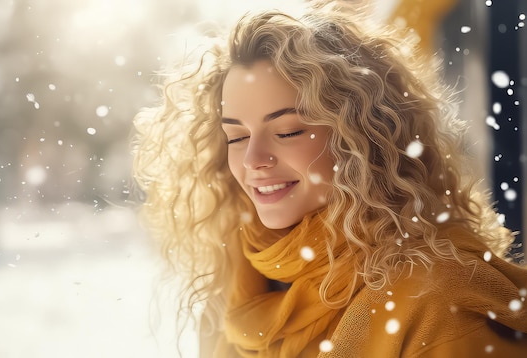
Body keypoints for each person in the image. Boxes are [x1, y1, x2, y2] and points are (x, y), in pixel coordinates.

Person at [131, 1, 527, 356]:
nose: (253, 159)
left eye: (287, 131)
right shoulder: (233, 295)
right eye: (236, 136)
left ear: (363, 137)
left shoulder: (438, 302)